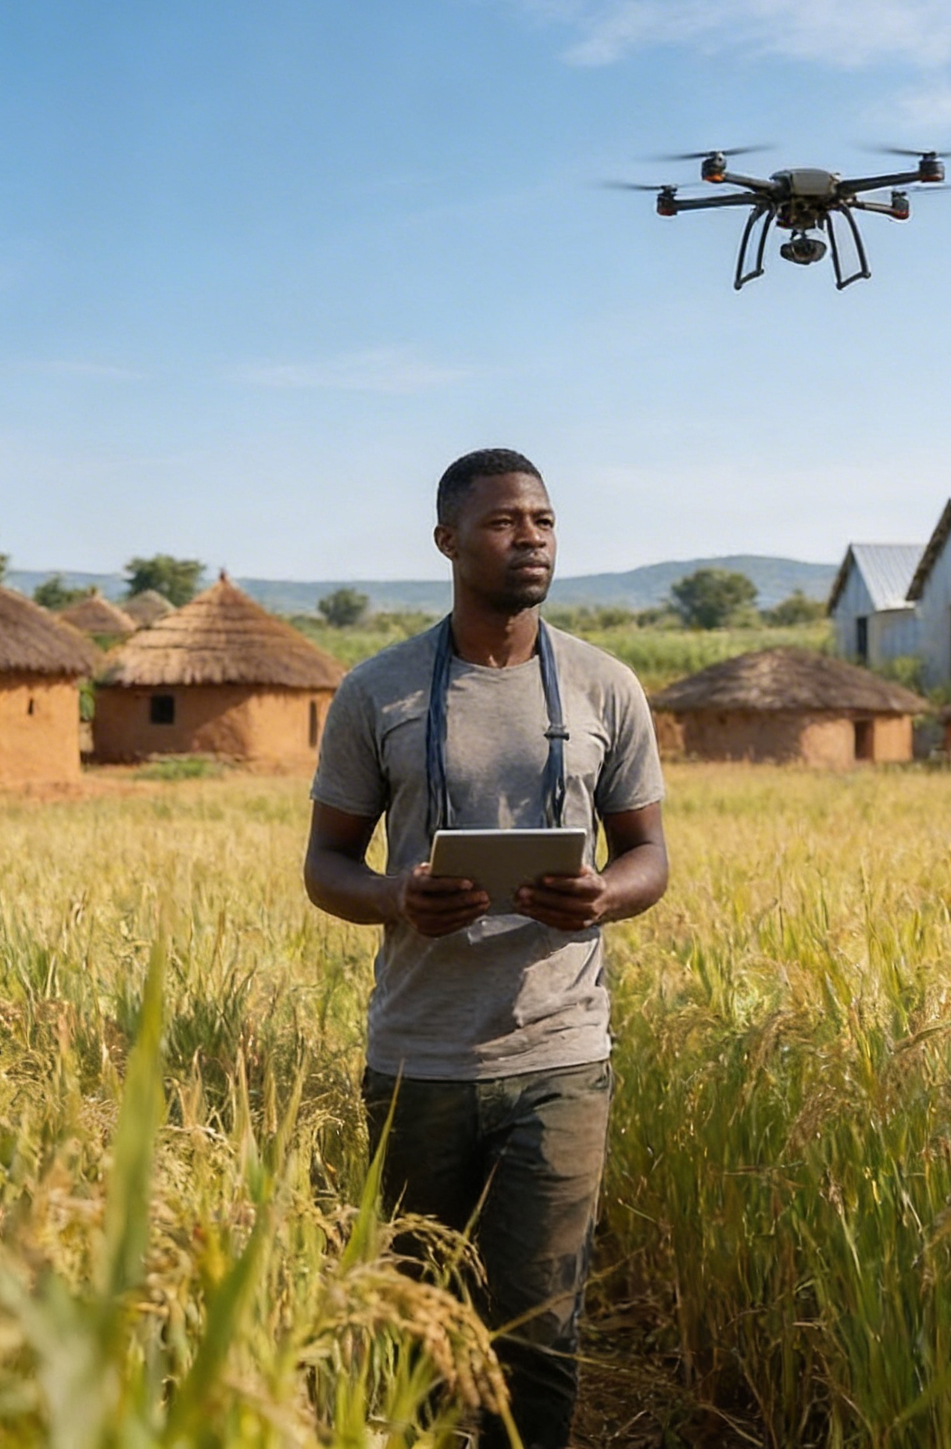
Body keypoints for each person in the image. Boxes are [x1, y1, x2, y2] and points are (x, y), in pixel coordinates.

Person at [303, 448, 668, 1449]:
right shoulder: (376, 691)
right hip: (418, 1057)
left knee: (540, 1330)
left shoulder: (604, 685)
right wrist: (395, 897)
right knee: (415, 1322)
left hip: (560, 1054)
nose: (531, 536)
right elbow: (325, 864)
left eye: (543, 520)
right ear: (447, 541)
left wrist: (602, 896)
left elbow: (647, 853)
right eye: (505, 521)